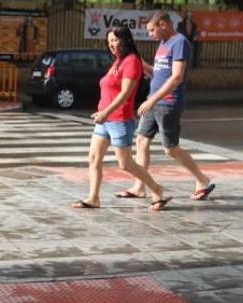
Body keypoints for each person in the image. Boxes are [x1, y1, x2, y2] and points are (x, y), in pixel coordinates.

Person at [116, 10, 214, 202]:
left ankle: (202, 180)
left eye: (152, 30)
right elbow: (159, 74)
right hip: (153, 101)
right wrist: (143, 65)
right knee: (141, 141)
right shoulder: (163, 44)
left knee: (171, 148)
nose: (151, 35)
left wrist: (152, 100)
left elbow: (176, 77)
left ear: (163, 24)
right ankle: (139, 186)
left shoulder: (180, 43)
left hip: (168, 102)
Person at [72, 25, 171, 211]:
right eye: (109, 41)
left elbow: (125, 93)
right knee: (93, 158)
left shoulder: (132, 61)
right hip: (105, 119)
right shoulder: (118, 61)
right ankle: (93, 198)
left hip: (119, 119)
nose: (112, 44)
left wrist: (106, 112)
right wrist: (103, 113)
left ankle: (157, 189)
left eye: (115, 40)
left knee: (125, 164)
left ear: (125, 40)